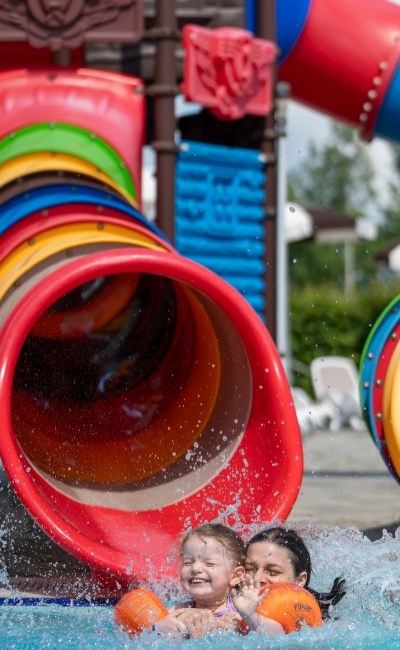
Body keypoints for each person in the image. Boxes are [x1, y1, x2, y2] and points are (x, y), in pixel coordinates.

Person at [155, 523, 284, 637]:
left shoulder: (239, 610)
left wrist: (250, 617)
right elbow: (143, 634)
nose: (195, 568)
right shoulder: (177, 611)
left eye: (210, 564)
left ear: (236, 576)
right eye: (188, 563)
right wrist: (159, 629)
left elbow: (280, 634)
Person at [243, 526, 346, 622]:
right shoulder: (230, 612)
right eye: (250, 569)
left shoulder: (318, 628)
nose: (257, 578)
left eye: (273, 572)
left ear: (300, 580)